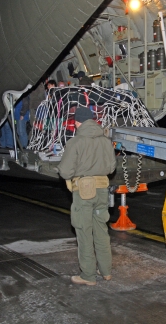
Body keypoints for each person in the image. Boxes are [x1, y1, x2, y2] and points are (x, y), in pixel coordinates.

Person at [57, 107, 116, 286]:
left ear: (76, 123)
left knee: (84, 231)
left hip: (83, 191)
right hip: (102, 190)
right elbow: (112, 168)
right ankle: (106, 271)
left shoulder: (76, 142)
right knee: (101, 231)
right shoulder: (106, 141)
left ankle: (88, 275)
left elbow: (66, 171)